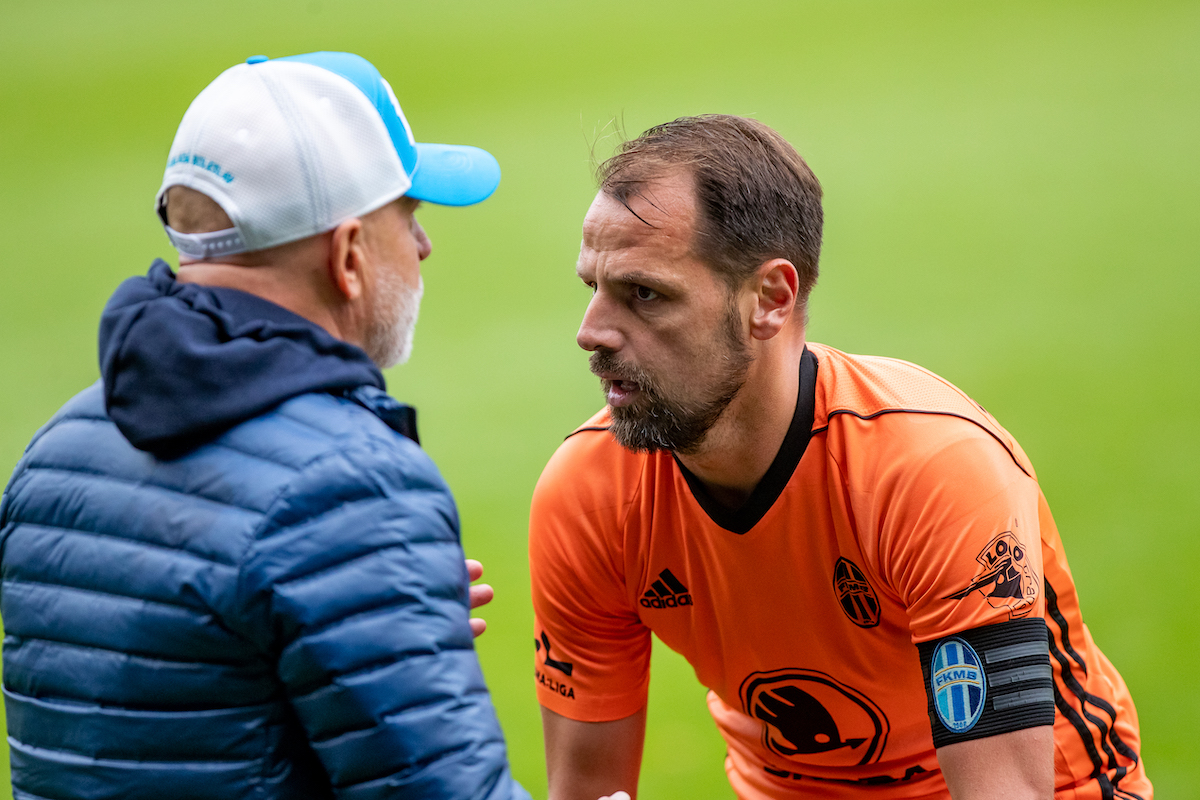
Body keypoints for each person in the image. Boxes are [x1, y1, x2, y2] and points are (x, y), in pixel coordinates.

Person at [529, 115, 1152, 799]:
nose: (591, 332)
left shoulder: (928, 469)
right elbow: (586, 790)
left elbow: (1006, 791)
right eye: (593, 287)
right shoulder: (588, 494)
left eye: (645, 294)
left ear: (770, 299)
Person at [0, 52, 530, 800]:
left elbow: (177, 706)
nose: (423, 246)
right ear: (348, 256)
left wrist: (372, 622)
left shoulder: (57, 451)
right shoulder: (351, 485)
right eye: (407, 218)